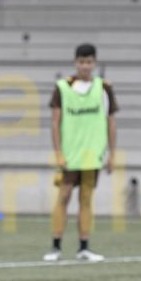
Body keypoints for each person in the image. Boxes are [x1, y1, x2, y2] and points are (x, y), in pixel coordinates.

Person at [44, 43, 118, 263]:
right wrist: (58, 152)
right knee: (64, 197)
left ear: (94, 63)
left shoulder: (103, 88)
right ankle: (56, 247)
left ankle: (84, 247)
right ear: (75, 63)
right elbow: (55, 123)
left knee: (86, 199)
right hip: (70, 154)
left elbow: (111, 123)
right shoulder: (62, 88)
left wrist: (112, 154)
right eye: (81, 62)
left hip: (92, 155)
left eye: (89, 62)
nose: (85, 66)